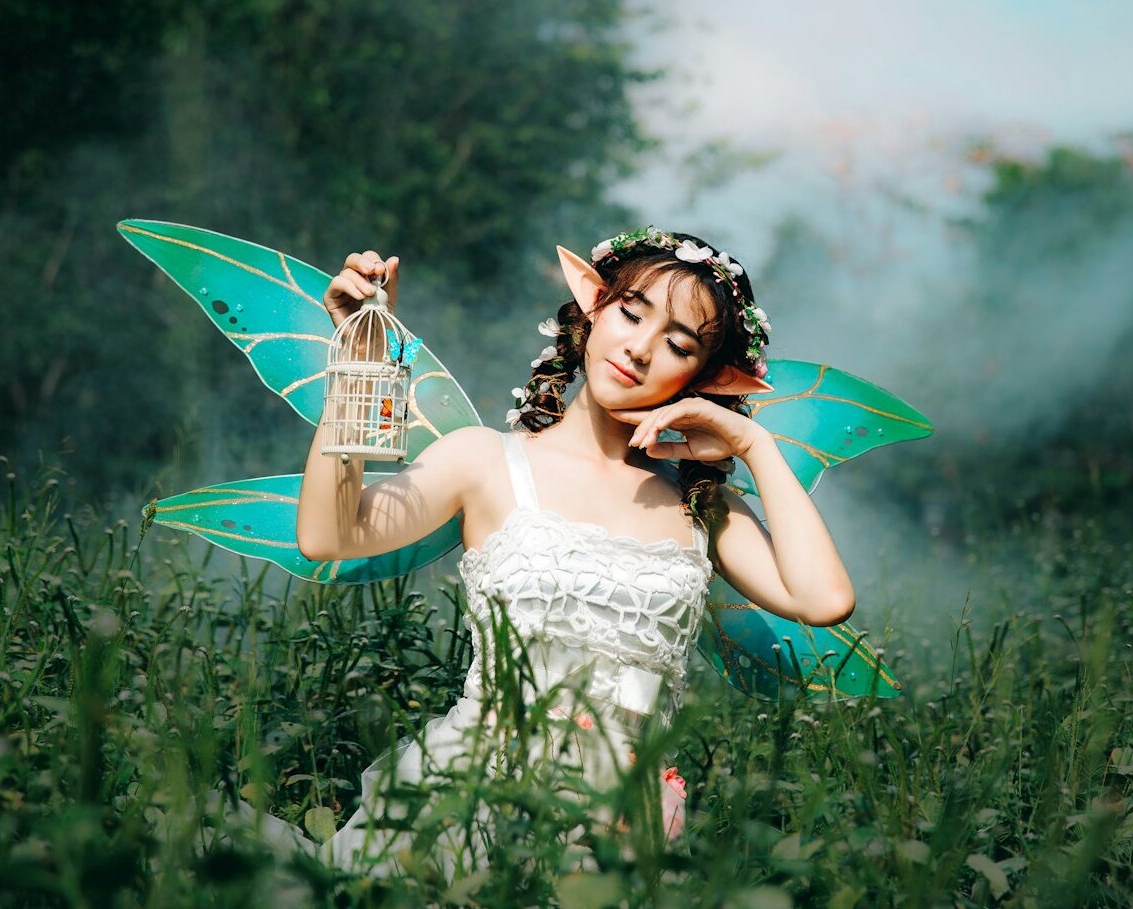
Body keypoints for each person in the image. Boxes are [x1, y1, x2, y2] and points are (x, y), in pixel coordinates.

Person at [289, 227, 856, 877]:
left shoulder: (703, 506)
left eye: (677, 343)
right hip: (473, 798)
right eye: (631, 312)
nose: (640, 348)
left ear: (706, 376)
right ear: (593, 307)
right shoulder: (485, 460)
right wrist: (360, 359)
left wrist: (753, 446)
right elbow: (329, 535)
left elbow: (824, 599)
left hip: (621, 828)